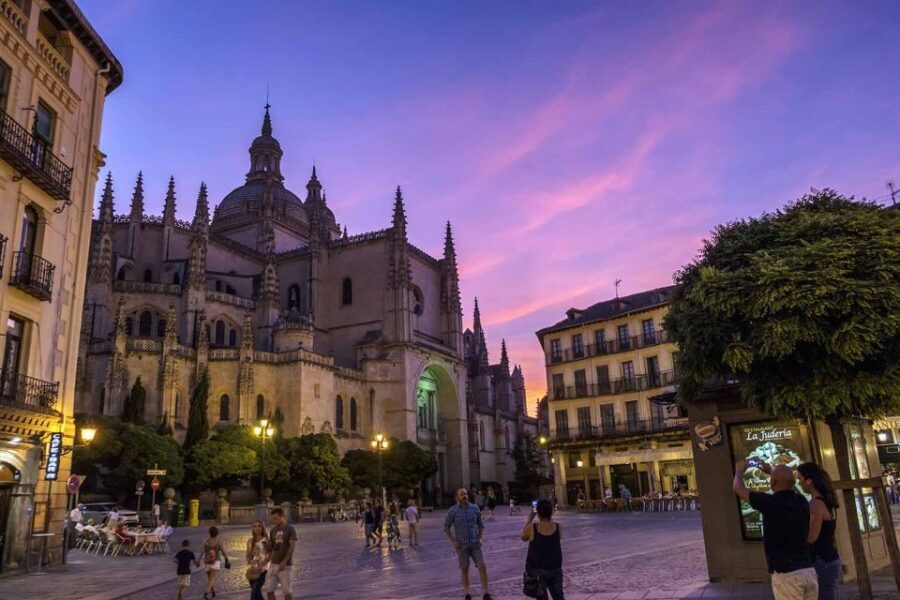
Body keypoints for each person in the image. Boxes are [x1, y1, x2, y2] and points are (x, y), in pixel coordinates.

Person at [733, 461, 817, 599]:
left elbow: (737, 488)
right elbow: (788, 485)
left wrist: (739, 471)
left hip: (787, 574)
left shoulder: (770, 502)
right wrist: (773, 473)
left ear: (772, 482)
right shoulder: (801, 501)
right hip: (808, 570)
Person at [797, 462, 841, 600]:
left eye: (800, 479)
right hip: (830, 558)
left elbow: (811, 538)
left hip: (822, 561)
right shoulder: (828, 502)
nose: (799, 483)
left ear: (809, 481)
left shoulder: (815, 505)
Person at [444, 487, 493, 600]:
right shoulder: (453, 510)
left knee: (482, 566)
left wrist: (480, 538)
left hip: (475, 543)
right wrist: (453, 541)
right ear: (457, 497)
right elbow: (446, 527)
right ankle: (467, 593)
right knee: (464, 569)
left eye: (465, 494)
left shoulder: (474, 508)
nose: (464, 496)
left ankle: (486, 593)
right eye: (461, 494)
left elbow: (480, 525)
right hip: (462, 546)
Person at [521, 499, 564, 600]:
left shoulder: (533, 528)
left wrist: (530, 518)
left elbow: (523, 537)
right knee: (559, 597)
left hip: (537, 570)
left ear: (538, 513)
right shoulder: (558, 527)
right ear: (551, 512)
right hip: (555, 568)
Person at [265, 507, 297, 600]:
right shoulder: (273, 530)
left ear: (282, 516)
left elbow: (292, 546)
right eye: (272, 519)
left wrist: (285, 561)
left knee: (287, 591)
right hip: (273, 564)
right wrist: (268, 545)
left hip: (285, 565)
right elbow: (273, 547)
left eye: (276, 518)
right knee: (269, 589)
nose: (274, 521)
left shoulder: (290, 529)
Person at [202, 525, 230, 600]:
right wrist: (226, 559)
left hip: (207, 561)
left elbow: (203, 551)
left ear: (209, 533)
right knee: (212, 578)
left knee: (210, 578)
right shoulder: (219, 542)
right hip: (216, 561)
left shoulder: (206, 541)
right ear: (217, 533)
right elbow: (223, 552)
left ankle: (213, 591)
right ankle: (206, 593)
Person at [246, 520, 270, 600]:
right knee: (257, 594)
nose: (257, 528)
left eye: (259, 526)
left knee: (254, 593)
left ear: (262, 528)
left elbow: (270, 555)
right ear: (252, 528)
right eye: (255, 526)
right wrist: (250, 561)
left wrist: (261, 565)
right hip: (253, 570)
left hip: (263, 570)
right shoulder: (250, 541)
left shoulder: (265, 540)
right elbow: (248, 556)